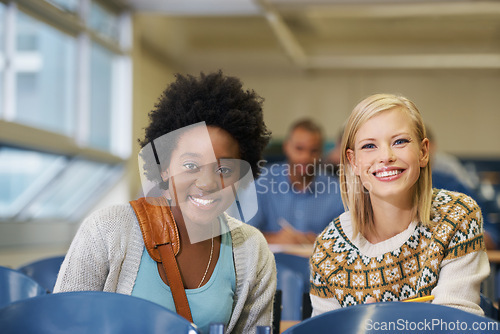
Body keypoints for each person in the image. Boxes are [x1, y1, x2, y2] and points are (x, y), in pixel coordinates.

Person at [54, 71, 276, 334]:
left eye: (225, 170)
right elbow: (61, 325)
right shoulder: (107, 229)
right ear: (163, 168)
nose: (207, 183)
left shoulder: (252, 250)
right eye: (191, 165)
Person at [310, 94, 490, 316]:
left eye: (400, 141)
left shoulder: (457, 216)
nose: (386, 156)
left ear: (424, 152)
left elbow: (453, 325)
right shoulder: (328, 249)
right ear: (353, 161)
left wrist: (380, 321)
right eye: (369, 146)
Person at [248, 119, 345, 244]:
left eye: (313, 151)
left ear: (321, 152)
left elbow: (346, 242)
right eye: (299, 149)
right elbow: (244, 235)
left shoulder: (336, 190)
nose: (305, 157)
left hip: (315, 261)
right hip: (273, 261)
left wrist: (322, 241)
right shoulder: (261, 182)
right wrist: (275, 238)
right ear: (286, 147)